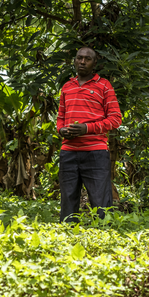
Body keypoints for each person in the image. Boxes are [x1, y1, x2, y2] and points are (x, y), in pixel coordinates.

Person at [56, 46, 122, 223]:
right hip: (69, 151)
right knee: (68, 199)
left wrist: (87, 129)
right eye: (79, 58)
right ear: (75, 60)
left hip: (96, 151)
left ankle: (102, 234)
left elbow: (115, 119)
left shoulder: (104, 86)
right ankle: (67, 236)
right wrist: (61, 130)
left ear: (95, 63)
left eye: (87, 59)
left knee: (100, 201)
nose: (82, 62)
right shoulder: (67, 87)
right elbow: (60, 117)